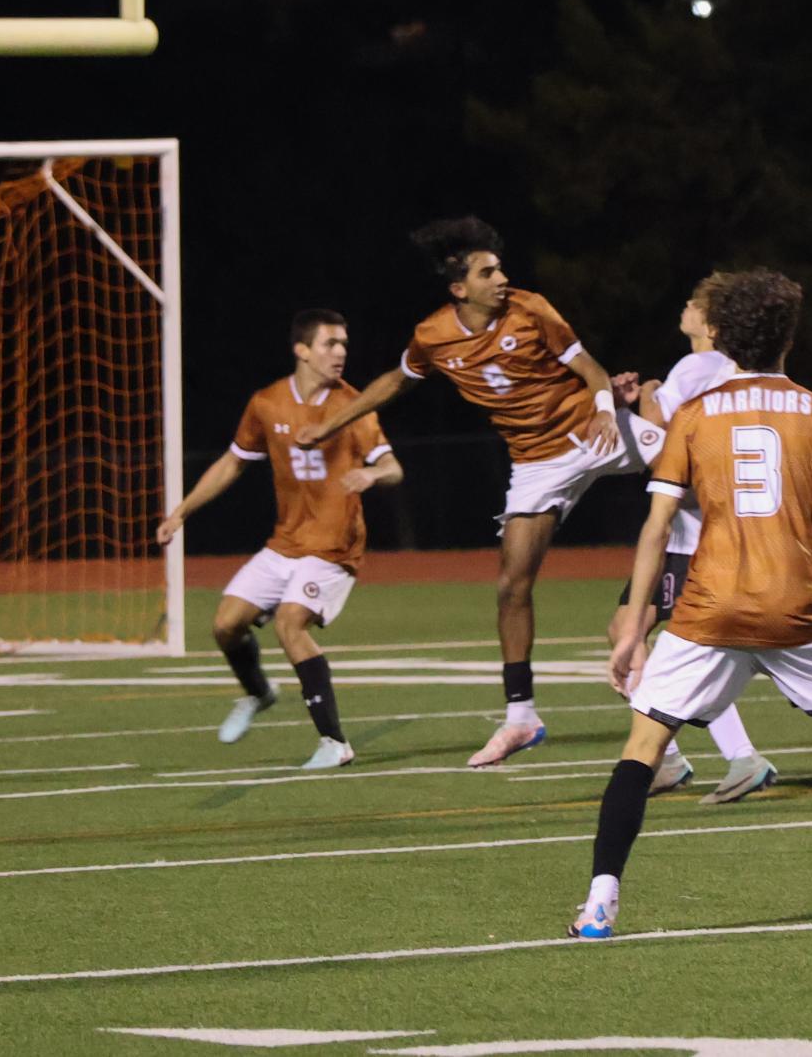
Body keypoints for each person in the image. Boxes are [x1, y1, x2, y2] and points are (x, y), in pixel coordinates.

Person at [572, 269, 812, 939]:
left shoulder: (690, 416)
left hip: (709, 610)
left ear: (719, 337)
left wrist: (631, 627)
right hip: (795, 611)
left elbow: (657, 527)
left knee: (642, 751)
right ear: (788, 336)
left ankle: (600, 903)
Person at [296, 217, 659, 767]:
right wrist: (329, 425)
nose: (502, 278)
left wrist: (610, 408)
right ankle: (521, 718)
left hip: (592, 430)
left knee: (689, 451)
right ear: (459, 288)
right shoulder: (433, 336)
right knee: (511, 584)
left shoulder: (531, 308)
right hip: (536, 464)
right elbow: (395, 381)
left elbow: (590, 367)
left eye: (500, 268)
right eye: (488, 272)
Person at [157, 309, 402, 770]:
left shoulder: (353, 406)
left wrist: (372, 474)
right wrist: (182, 512)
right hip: (285, 544)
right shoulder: (268, 403)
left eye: (345, 344)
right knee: (225, 625)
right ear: (302, 350)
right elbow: (232, 463)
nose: (341, 352)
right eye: (331, 343)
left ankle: (335, 743)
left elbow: (393, 467)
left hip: (333, 549)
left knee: (291, 624)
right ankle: (259, 693)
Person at [606, 275, 779, 805]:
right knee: (627, 629)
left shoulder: (697, 367)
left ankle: (739, 757)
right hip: (711, 530)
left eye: (694, 303)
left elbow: (659, 449)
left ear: (712, 322)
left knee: (682, 650)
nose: (684, 306)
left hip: (694, 536)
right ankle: (674, 760)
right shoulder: (741, 373)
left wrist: (644, 403)